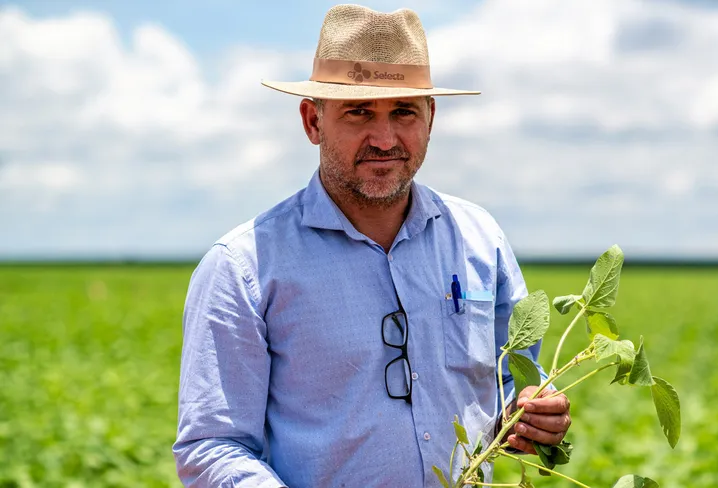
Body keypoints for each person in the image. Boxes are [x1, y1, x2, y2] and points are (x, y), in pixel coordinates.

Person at [173, 4, 571, 487]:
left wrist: (535, 414)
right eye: (358, 111)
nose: (384, 138)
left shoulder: (480, 239)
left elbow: (514, 384)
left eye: (403, 111)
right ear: (312, 121)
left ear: (430, 117)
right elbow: (211, 447)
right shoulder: (243, 267)